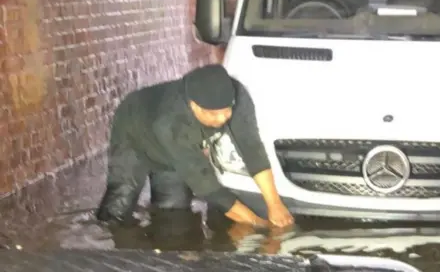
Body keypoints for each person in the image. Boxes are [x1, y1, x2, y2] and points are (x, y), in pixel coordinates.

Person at [95, 64, 294, 228]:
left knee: (174, 212)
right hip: (133, 127)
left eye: (226, 111)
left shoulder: (237, 97)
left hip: (173, 147)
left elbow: (252, 149)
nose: (222, 118)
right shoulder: (171, 121)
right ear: (193, 106)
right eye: (213, 114)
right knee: (119, 204)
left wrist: (275, 205)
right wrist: (257, 224)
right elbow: (208, 187)